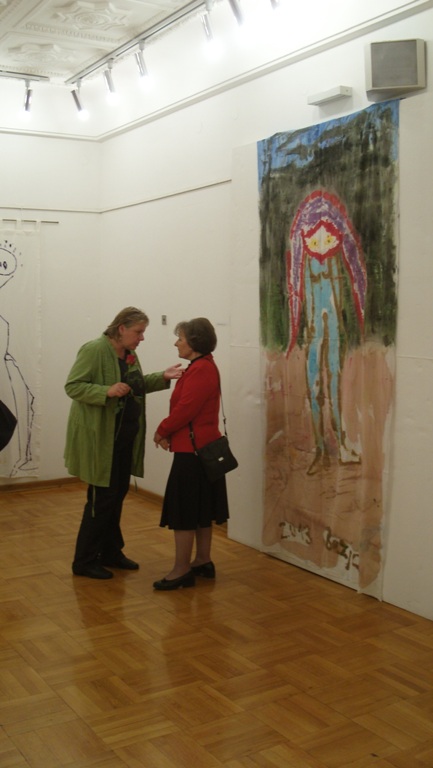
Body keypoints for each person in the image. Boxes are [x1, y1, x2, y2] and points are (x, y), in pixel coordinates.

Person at [64, 307, 183, 580]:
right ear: (121, 328)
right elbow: (73, 386)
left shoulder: (129, 353)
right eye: (138, 332)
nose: (142, 338)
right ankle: (84, 561)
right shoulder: (94, 350)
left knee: (116, 495)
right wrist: (105, 390)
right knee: (101, 500)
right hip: (101, 440)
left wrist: (162, 377)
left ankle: (110, 552)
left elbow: (134, 385)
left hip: (123, 438)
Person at [153, 317, 230, 591]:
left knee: (185, 511)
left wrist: (162, 430)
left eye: (181, 338)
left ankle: (182, 569)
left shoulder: (201, 370)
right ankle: (202, 560)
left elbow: (186, 410)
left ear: (194, 342)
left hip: (193, 451)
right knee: (201, 508)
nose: (176, 343)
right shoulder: (203, 366)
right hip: (201, 449)